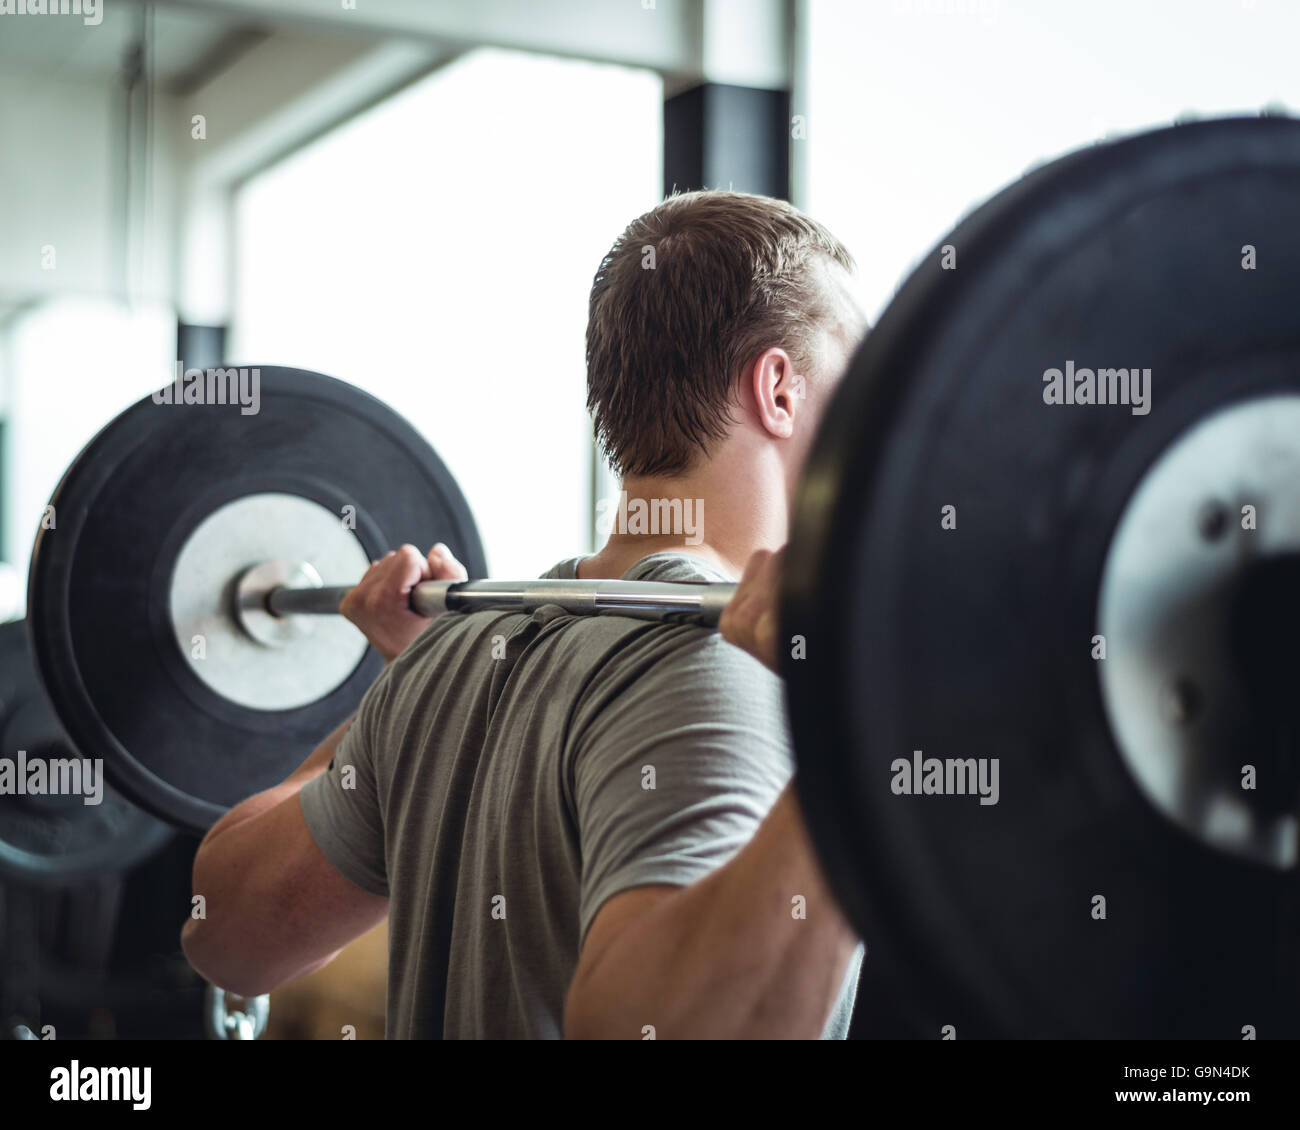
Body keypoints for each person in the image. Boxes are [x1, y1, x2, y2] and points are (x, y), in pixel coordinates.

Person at [181, 190, 869, 1038]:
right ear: (778, 389)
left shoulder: (464, 654)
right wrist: (849, 741)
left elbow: (227, 934)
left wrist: (411, 694)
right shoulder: (716, 666)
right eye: (856, 374)